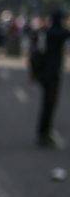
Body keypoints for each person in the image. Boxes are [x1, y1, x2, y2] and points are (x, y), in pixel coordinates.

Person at [32, 10, 70, 147]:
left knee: (46, 105)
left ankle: (43, 132)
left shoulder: (47, 32)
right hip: (53, 74)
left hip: (44, 73)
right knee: (50, 105)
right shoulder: (59, 33)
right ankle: (44, 134)